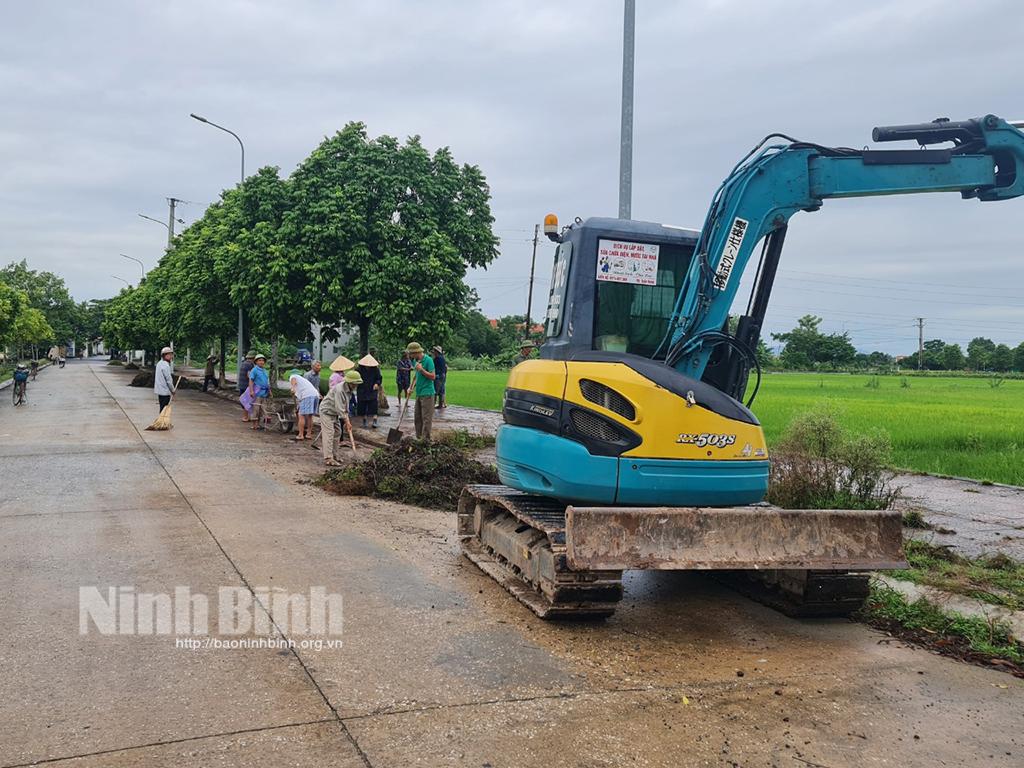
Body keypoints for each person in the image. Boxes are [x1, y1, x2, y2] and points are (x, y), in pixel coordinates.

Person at [319, 369, 360, 466]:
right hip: (327, 411)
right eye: (354, 383)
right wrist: (346, 421)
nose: (356, 386)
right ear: (349, 382)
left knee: (338, 432)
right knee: (329, 433)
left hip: (335, 413)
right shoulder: (339, 390)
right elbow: (339, 408)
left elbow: (345, 407)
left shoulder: (349, 391)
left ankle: (335, 454)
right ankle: (328, 458)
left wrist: (348, 421)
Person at [406, 342, 436, 440]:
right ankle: (419, 439)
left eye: (411, 354)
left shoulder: (428, 360)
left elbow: (433, 376)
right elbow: (416, 376)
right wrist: (410, 388)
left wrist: (422, 369)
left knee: (426, 419)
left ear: (417, 352)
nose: (410, 356)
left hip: (428, 393)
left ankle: (425, 441)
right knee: (417, 418)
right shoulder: (415, 361)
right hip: (419, 393)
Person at [289, 372, 321, 440]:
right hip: (315, 395)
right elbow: (300, 400)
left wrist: (293, 388)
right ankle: (308, 434)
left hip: (307, 395)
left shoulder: (293, 376)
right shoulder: (303, 381)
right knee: (310, 416)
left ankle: (300, 435)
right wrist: (298, 407)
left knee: (301, 415)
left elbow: (293, 380)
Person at [355, 353, 382, 429]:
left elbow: (379, 378)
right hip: (362, 389)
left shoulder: (376, 369)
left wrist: (377, 383)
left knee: (374, 405)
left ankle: (375, 420)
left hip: (372, 389)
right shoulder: (358, 369)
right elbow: (355, 378)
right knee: (362, 405)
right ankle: (364, 420)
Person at [248, 353, 271, 430]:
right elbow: (251, 381)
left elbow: (267, 382)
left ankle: (259, 424)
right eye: (259, 360)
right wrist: (251, 391)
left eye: (262, 360)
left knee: (263, 409)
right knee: (256, 409)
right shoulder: (254, 370)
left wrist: (270, 391)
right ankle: (254, 425)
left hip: (264, 393)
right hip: (257, 392)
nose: (261, 362)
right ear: (256, 362)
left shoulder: (265, 370)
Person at [154, 346, 175, 413]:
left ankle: (161, 421)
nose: (171, 357)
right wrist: (172, 389)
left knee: (162, 407)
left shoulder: (159, 363)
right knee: (164, 409)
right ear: (166, 355)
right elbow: (168, 380)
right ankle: (162, 422)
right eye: (170, 355)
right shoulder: (165, 365)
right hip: (165, 391)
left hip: (160, 391)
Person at [238, 351, 256, 422]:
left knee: (244, 401)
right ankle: (245, 417)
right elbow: (249, 376)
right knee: (247, 401)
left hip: (241, 385)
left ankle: (246, 416)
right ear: (253, 358)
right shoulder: (250, 365)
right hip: (246, 386)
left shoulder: (244, 363)